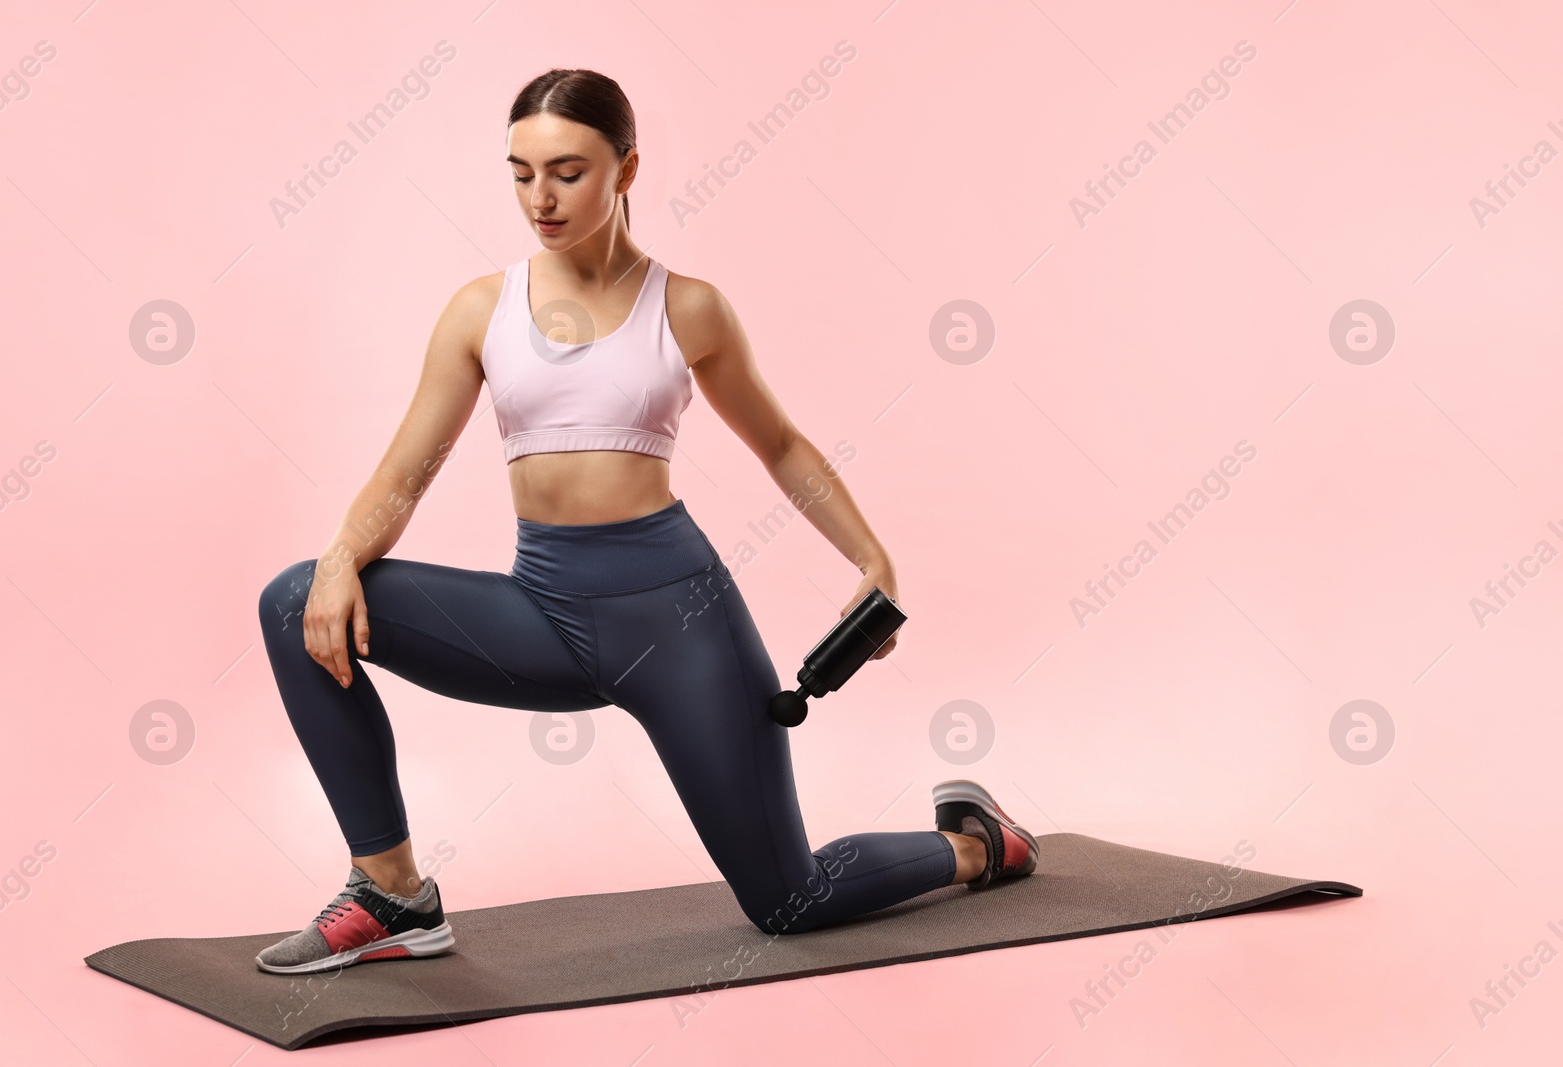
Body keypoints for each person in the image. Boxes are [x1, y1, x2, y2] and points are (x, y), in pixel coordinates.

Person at [253, 68, 1037, 976]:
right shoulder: (483, 309)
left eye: (567, 172)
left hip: (680, 625)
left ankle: (981, 844)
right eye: (519, 172)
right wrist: (344, 555)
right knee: (294, 600)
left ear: (627, 169)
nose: (538, 198)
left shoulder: (689, 306)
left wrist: (873, 562)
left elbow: (780, 443)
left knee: (791, 899)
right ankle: (392, 892)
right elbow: (405, 473)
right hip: (540, 614)